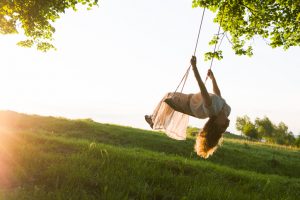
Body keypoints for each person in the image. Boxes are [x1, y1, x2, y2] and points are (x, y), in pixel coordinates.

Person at [145, 56, 231, 158]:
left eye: (223, 125)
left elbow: (202, 88)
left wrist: (194, 67)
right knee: (169, 99)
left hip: (188, 104)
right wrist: (212, 78)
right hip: (192, 100)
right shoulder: (226, 110)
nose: (226, 123)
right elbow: (218, 95)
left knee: (169, 97)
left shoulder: (211, 110)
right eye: (226, 125)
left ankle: (154, 120)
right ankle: (155, 120)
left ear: (215, 123)